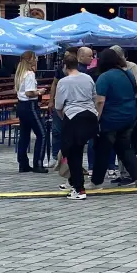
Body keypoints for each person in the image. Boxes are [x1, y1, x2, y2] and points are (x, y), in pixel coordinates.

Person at [93, 48, 137, 189]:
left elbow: (100, 101)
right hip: (129, 116)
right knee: (125, 148)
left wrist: (96, 119)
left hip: (111, 119)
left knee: (103, 150)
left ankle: (96, 181)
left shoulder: (104, 77)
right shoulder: (128, 74)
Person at [52, 53, 97, 200]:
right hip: (90, 116)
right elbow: (94, 97)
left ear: (65, 66)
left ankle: (79, 188)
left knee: (72, 154)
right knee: (78, 150)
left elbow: (58, 105)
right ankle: (74, 182)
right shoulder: (88, 78)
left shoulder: (63, 82)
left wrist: (63, 118)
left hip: (73, 116)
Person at [14, 51, 47, 173]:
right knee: (42, 134)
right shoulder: (29, 74)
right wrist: (39, 92)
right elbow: (29, 92)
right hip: (30, 105)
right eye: (35, 58)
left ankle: (23, 163)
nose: (37, 60)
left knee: (24, 134)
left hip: (21, 105)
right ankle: (38, 163)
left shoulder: (20, 73)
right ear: (30, 60)